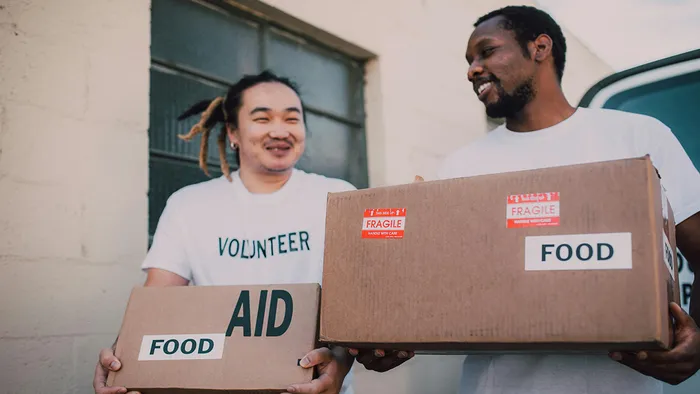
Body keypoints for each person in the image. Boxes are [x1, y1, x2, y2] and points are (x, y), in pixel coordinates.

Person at [353, 5, 700, 394]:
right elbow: (430, 290)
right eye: (469, 60)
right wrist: (390, 338)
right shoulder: (460, 166)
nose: (472, 69)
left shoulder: (636, 137)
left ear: (539, 47)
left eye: (487, 52)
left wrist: (697, 341)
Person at [93, 70, 357, 394]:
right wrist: (121, 362)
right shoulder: (189, 205)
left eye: (292, 119)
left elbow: (357, 302)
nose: (280, 130)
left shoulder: (339, 197)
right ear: (233, 132)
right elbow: (156, 302)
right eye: (262, 119)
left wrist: (340, 363)